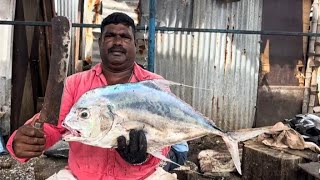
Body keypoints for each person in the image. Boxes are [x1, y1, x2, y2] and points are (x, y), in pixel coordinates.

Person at [6, 12, 188, 179]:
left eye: (125, 37)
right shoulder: (74, 84)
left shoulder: (152, 85)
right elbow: (51, 126)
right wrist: (23, 142)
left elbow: (166, 135)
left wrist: (144, 157)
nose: (117, 42)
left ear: (135, 44)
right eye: (110, 36)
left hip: (142, 177)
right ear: (100, 42)